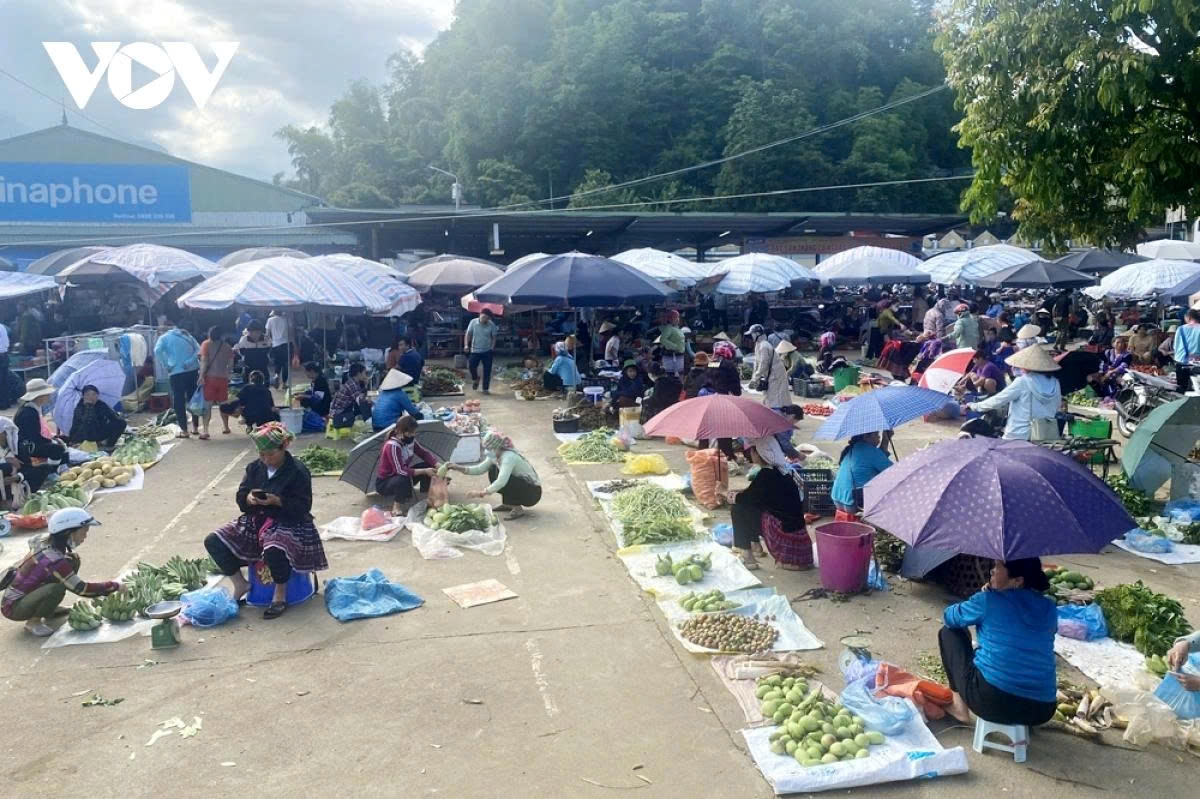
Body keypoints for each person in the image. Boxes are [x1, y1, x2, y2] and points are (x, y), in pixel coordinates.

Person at [204, 422, 327, 619]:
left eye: (271, 454)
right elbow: (241, 496)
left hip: (290, 521)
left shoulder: (297, 470)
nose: (265, 459)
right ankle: (240, 584)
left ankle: (280, 594)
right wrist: (248, 498)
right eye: (262, 454)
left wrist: (278, 501)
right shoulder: (254, 468)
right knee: (214, 540)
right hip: (257, 519)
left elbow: (303, 507)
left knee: (274, 547)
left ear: (284, 447)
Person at [939, 558, 1058, 725]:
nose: (992, 571)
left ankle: (959, 708)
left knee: (949, 632)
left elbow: (949, 617)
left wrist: (983, 597)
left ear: (1018, 580)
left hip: (993, 701)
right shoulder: (1049, 607)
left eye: (999, 567)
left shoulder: (988, 600)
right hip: (1042, 709)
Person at [1, 508, 119, 636]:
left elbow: (32, 541)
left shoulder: (43, 540)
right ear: (68, 533)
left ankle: (48, 608)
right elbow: (82, 589)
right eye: (83, 532)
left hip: (25, 594)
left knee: (72, 560)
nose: (85, 536)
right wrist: (115, 586)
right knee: (56, 588)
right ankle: (33, 622)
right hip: (14, 607)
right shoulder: (54, 560)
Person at [726, 436, 809, 571]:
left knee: (738, 508)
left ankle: (748, 557)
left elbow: (743, 499)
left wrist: (725, 493)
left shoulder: (766, 475)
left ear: (759, 454)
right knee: (751, 504)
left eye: (752, 451)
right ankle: (756, 546)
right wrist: (740, 494)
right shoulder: (781, 471)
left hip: (783, 533)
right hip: (797, 535)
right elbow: (755, 494)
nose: (750, 454)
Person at [966, 345, 1063, 441]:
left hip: (1019, 434)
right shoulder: (1055, 382)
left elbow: (998, 400)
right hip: (1044, 433)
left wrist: (975, 406)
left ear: (1027, 366)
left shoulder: (1023, 381)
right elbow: (1057, 405)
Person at [445, 431, 541, 520]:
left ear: (497, 447)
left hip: (532, 493)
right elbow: (479, 469)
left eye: (488, 449)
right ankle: (508, 504)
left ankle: (517, 508)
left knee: (503, 478)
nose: (486, 452)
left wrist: (481, 493)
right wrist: (458, 467)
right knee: (493, 470)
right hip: (523, 486)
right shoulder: (495, 456)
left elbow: (501, 481)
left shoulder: (509, 457)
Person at [374, 415, 440, 514]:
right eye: (410, 433)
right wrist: (424, 471)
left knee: (426, 466)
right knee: (403, 476)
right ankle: (396, 507)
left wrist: (435, 463)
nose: (413, 435)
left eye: (414, 432)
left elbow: (423, 453)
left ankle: (427, 498)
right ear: (400, 432)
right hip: (386, 483)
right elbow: (400, 470)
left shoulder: (410, 441)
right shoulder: (392, 446)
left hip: (402, 476)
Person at [13, 379, 66, 490]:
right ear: (40, 396)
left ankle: (57, 469)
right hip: (26, 446)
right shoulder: (28, 413)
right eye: (47, 394)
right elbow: (34, 437)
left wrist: (53, 438)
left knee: (61, 441)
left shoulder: (33, 409)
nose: (49, 396)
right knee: (57, 448)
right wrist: (52, 441)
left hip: (30, 442)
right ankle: (51, 472)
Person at [154, 321, 201, 439]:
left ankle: (184, 430)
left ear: (161, 331)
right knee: (193, 399)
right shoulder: (186, 335)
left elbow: (157, 351)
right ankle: (195, 428)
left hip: (176, 373)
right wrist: (189, 362)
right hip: (192, 371)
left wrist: (167, 364)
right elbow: (198, 349)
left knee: (179, 401)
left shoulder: (164, 338)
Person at [831, 431, 893, 514]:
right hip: (854, 503)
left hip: (837, 499)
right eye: (876, 434)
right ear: (865, 437)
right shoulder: (871, 451)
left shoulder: (852, 448)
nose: (879, 437)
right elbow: (893, 471)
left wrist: (886, 439)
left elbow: (878, 458)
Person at [196, 326, 234, 440]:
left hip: (210, 379)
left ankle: (206, 430)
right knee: (223, 404)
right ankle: (226, 427)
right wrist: (226, 374)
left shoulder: (206, 344)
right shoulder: (227, 347)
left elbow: (204, 361)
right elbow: (231, 365)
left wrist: (201, 376)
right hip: (223, 379)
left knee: (208, 405)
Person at [68, 385, 126, 450]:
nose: (91, 397)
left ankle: (108, 445)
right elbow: (87, 424)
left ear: (97, 395)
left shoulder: (101, 404)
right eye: (87, 394)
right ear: (83, 396)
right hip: (82, 435)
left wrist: (117, 415)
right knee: (89, 428)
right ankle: (93, 444)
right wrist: (89, 407)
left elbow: (114, 418)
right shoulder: (79, 408)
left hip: (97, 432)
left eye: (94, 394)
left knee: (121, 423)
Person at [748, 324, 792, 410]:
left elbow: (763, 364)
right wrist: (754, 377)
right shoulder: (758, 344)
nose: (751, 336)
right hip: (769, 373)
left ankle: (780, 412)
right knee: (769, 393)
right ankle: (772, 409)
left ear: (757, 334)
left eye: (752, 334)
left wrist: (755, 378)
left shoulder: (764, 346)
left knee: (777, 394)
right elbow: (756, 363)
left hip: (776, 372)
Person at [464, 308, 499, 394]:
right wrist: (466, 345)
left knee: (487, 370)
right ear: (480, 315)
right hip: (475, 350)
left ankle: (485, 389)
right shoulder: (473, 322)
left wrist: (492, 348)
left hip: (487, 350)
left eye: (487, 318)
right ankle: (475, 378)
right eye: (484, 317)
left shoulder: (491, 325)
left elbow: (494, 337)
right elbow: (468, 334)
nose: (485, 319)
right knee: (471, 366)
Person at [330, 363, 372, 429]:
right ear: (358, 374)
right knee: (365, 405)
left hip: (343, 411)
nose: (365, 376)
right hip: (339, 415)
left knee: (364, 404)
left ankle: (367, 422)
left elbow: (359, 394)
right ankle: (369, 423)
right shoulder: (352, 384)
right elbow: (360, 400)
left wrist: (366, 385)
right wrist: (369, 401)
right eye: (364, 373)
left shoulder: (353, 382)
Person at [1172, 309, 1200, 393]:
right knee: (1197, 389)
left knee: (1181, 388)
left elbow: (1175, 347)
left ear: (1189, 317)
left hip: (1181, 361)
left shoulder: (1180, 329)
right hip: (1197, 363)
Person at [266, 310, 291, 387]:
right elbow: (290, 331)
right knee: (285, 364)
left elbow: (267, 334)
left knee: (277, 363)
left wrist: (269, 343)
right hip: (285, 344)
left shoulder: (270, 320)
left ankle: (276, 376)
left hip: (275, 345)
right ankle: (284, 383)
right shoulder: (286, 319)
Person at [658, 310, 686, 376]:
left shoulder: (677, 328)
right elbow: (662, 340)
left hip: (679, 356)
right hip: (672, 357)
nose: (677, 319)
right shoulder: (668, 328)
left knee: (679, 375)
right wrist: (675, 347)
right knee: (671, 376)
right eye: (675, 317)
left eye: (678, 317)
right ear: (670, 319)